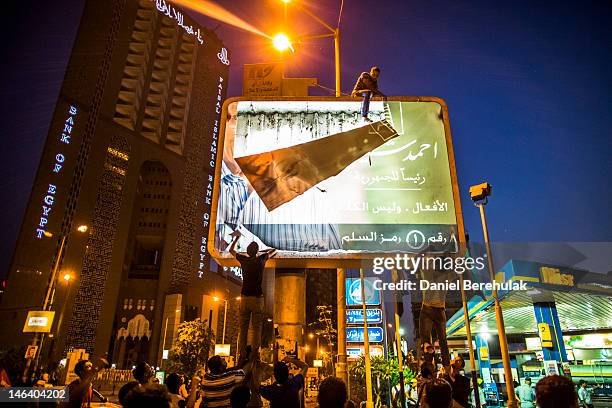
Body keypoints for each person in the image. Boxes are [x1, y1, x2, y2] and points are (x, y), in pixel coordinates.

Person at [229, 231, 277, 361]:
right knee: (257, 328)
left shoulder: (243, 260)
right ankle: (255, 354)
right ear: (257, 251)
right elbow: (273, 251)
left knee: (243, 328)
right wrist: (263, 253)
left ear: (248, 251)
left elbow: (231, 250)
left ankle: (242, 354)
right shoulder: (261, 259)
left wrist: (237, 238)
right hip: (257, 298)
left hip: (244, 297)